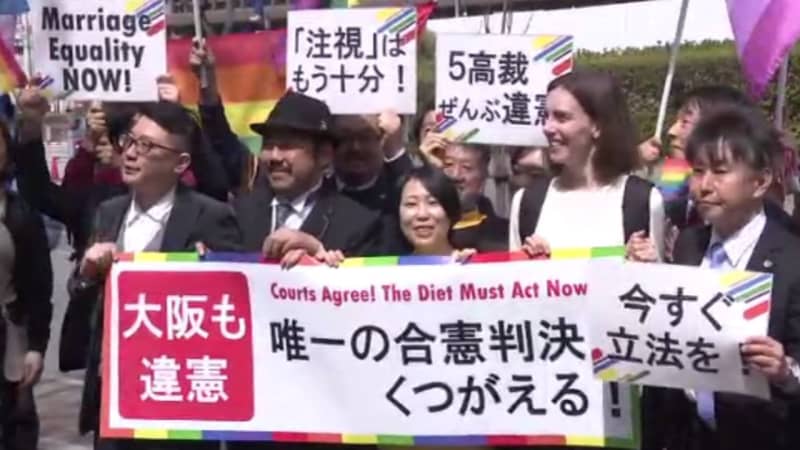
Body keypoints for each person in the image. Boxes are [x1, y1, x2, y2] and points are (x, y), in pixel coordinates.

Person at [72, 102, 242, 450]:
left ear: (180, 163)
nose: (132, 153)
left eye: (147, 146)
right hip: (115, 399)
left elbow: (235, 306)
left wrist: (206, 274)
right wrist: (87, 274)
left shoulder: (210, 217)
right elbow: (81, 292)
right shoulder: (108, 212)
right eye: (130, 141)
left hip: (177, 400)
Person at [638, 105, 800, 450]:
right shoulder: (688, 243)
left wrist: (785, 371)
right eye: (698, 171)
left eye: (720, 172)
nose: (704, 186)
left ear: (760, 181)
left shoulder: (791, 260)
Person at [508, 70, 665, 260]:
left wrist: (641, 265)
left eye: (562, 117)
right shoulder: (526, 202)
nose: (547, 128)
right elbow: (511, 277)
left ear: (597, 125)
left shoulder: (643, 201)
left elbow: (658, 276)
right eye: (546, 116)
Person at [234, 91, 391, 266]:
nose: (275, 157)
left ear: (324, 155)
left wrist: (316, 255)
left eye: (287, 146)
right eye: (268, 146)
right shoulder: (239, 213)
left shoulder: (359, 224)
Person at [0, 119, 54, 450]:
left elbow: (39, 287)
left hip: (9, 343)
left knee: (15, 429)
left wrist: (36, 347)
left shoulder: (22, 215)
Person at [419, 134, 508, 252]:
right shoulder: (418, 229)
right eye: (448, 164)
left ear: (484, 173)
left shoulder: (503, 236)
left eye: (466, 167)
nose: (455, 175)